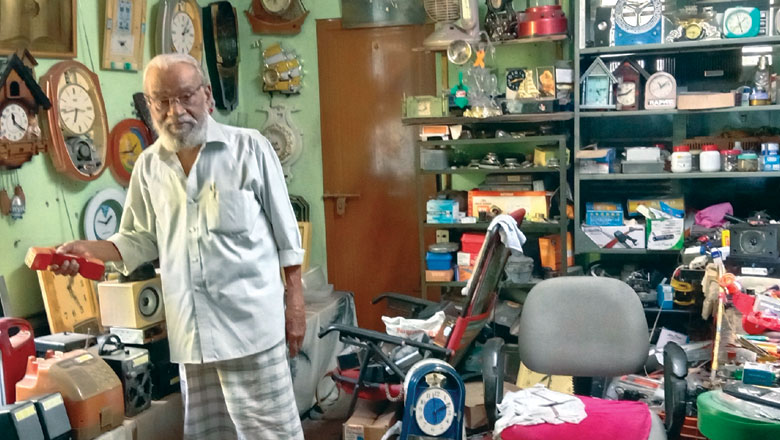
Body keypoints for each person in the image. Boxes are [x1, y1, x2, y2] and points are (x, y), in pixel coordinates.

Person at [51, 53, 306, 439]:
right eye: (162, 101)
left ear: (207, 95)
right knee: (211, 436)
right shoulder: (148, 167)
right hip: (193, 336)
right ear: (149, 104)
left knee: (273, 435)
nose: (176, 111)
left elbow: (288, 237)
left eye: (186, 97)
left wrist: (295, 304)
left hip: (252, 332)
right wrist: (89, 251)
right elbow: (139, 239)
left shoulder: (250, 149)